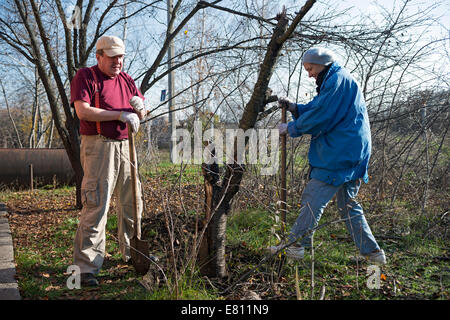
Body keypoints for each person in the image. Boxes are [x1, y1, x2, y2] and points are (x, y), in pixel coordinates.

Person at [270, 47, 386, 265]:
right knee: (348, 205)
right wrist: (295, 108)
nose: (309, 73)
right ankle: (374, 254)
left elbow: (322, 115)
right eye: (306, 69)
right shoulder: (335, 80)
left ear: (322, 64)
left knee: (313, 198)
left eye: (310, 68)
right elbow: (318, 106)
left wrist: (292, 128)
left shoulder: (337, 81)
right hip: (351, 152)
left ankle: (295, 245)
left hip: (340, 154)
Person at [70, 35, 148, 286]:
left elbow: (141, 111)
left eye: (121, 56)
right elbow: (82, 110)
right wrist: (121, 114)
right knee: (97, 204)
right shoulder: (87, 76)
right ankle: (86, 268)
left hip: (127, 146)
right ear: (99, 56)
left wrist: (140, 108)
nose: (118, 61)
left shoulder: (126, 80)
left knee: (132, 202)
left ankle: (131, 253)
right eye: (112, 56)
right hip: (99, 146)